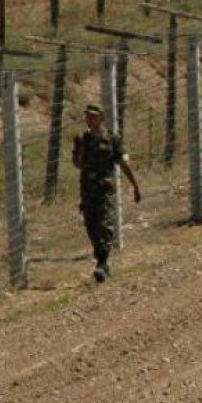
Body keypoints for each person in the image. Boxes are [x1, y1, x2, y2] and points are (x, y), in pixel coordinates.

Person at [72, 103, 140, 283]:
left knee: (105, 225)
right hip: (87, 190)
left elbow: (123, 163)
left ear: (101, 118)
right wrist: (81, 152)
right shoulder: (82, 139)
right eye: (87, 116)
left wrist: (135, 185)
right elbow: (77, 164)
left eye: (93, 116)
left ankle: (102, 263)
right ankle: (101, 261)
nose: (89, 120)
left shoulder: (112, 139)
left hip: (105, 190)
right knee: (91, 226)